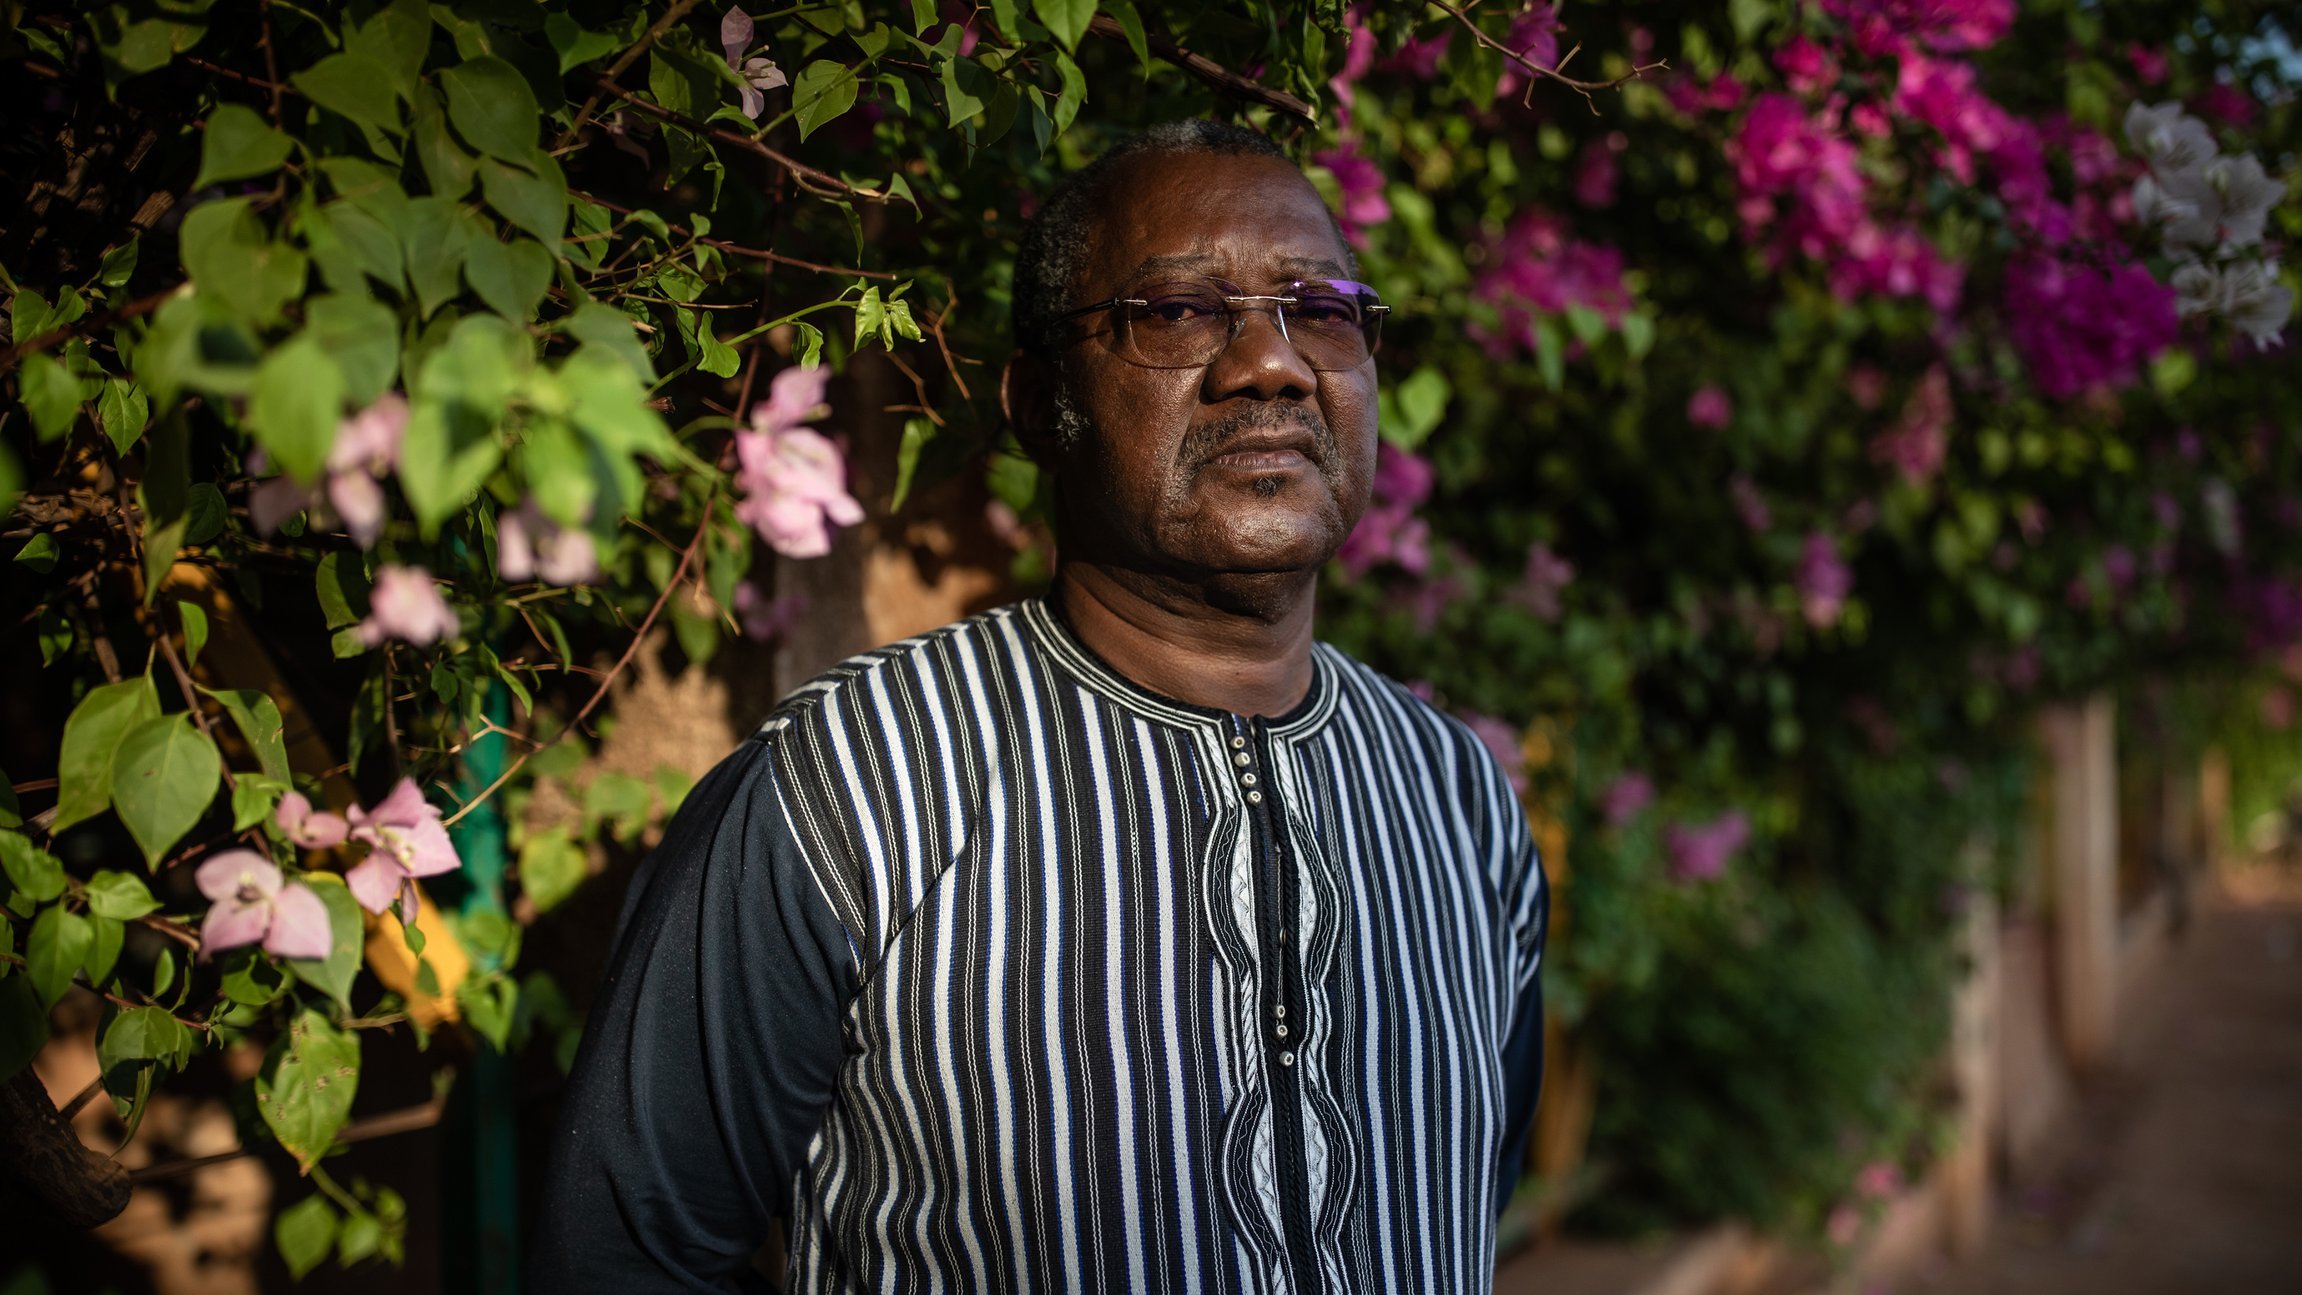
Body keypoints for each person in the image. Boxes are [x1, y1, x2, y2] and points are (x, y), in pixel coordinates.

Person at [531, 119, 1548, 1293]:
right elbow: (627, 1255)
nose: (1270, 363)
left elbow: (1464, 1196)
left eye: (1319, 310)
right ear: (1035, 399)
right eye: (1174, 311)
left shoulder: (1457, 801)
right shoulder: (853, 787)